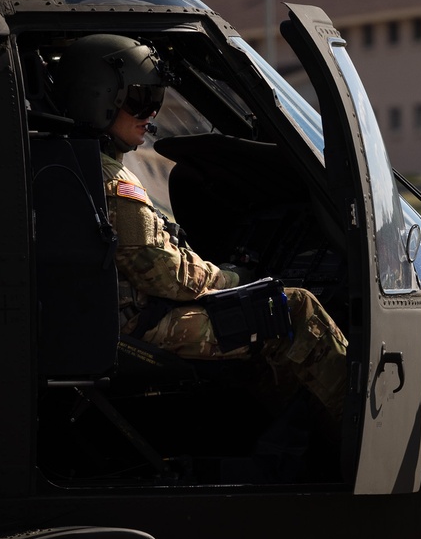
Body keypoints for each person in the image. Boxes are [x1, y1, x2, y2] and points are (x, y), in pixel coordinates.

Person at [53, 34, 347, 428]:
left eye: (155, 101)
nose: (151, 114)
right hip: (139, 328)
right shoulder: (109, 179)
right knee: (292, 309)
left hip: (108, 321)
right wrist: (234, 278)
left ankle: (277, 438)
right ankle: (358, 436)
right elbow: (164, 274)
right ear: (99, 97)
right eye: (140, 100)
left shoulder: (70, 164)